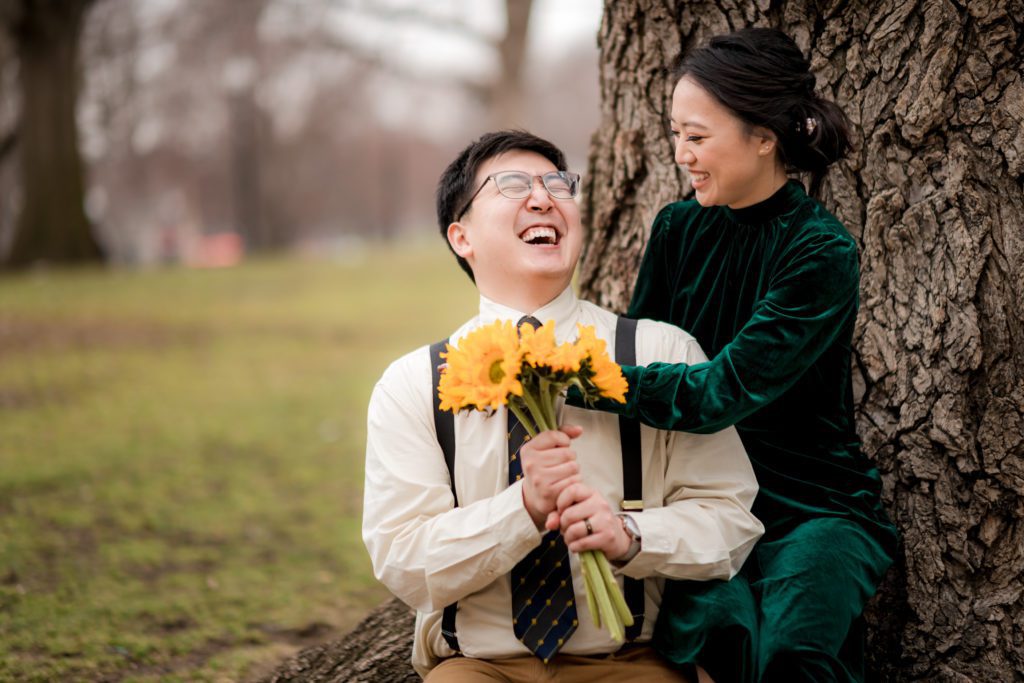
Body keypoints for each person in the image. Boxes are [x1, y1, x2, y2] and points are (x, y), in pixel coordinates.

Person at [362, 130, 764, 682]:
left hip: (633, 663)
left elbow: (729, 518)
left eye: (558, 183)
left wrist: (629, 535)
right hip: (479, 668)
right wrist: (522, 509)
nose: (542, 197)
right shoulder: (413, 385)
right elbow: (402, 559)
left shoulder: (660, 354)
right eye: (512, 185)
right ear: (462, 237)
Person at [579, 28, 899, 682]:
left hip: (810, 506)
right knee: (715, 635)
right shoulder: (676, 229)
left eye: (697, 138)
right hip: (701, 500)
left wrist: (577, 377)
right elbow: (645, 347)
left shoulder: (820, 252)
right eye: (676, 135)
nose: (681, 156)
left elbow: (719, 392)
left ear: (764, 137)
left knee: (792, 650)